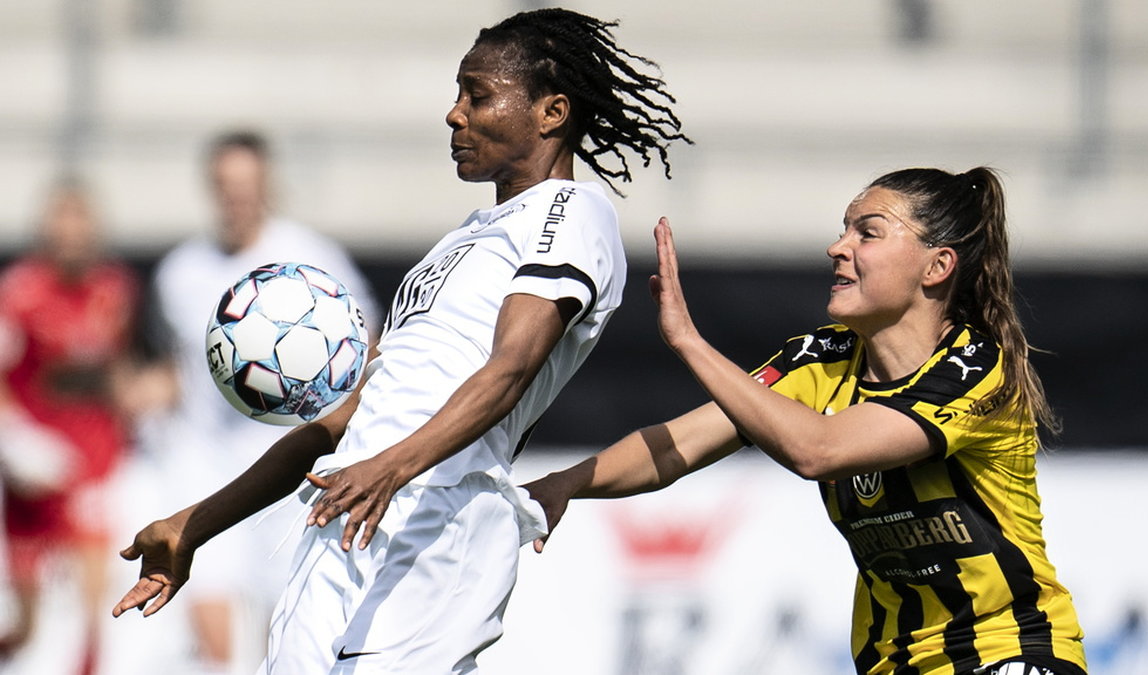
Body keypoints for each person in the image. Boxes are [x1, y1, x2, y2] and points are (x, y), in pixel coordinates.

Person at [113, 8, 691, 675]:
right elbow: (345, 418)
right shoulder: (460, 240)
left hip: (439, 513)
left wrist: (390, 468)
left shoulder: (571, 213)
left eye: (478, 95)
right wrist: (194, 524)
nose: (454, 114)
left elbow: (510, 369)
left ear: (551, 112)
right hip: (349, 505)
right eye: (457, 94)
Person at [525, 167, 1088, 675]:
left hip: (1010, 650)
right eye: (844, 230)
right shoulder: (821, 358)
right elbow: (681, 445)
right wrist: (565, 484)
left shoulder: (975, 369)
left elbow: (819, 451)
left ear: (937, 266)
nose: (837, 247)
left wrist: (689, 342)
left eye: (867, 233)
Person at [130, 129, 380, 673]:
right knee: (209, 620)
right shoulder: (180, 271)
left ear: (267, 185)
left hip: (291, 460)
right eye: (225, 185)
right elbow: (179, 365)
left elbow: (367, 343)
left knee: (283, 627)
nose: (236, 197)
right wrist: (148, 390)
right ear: (210, 188)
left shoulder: (312, 258)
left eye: (246, 184)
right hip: (202, 458)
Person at [0, 178, 139, 673]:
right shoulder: (19, 293)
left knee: (90, 612)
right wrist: (16, 438)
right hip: (34, 474)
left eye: (80, 223)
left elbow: (118, 369)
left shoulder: (115, 289)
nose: (71, 235)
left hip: (93, 463)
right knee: (28, 623)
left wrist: (139, 393)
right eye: (61, 223)